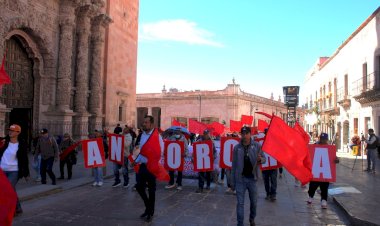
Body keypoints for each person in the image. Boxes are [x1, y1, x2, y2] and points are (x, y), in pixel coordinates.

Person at [231, 126, 266, 226]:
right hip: (240, 180)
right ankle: (240, 223)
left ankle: (252, 218)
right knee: (240, 204)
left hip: (252, 179)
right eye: (243, 133)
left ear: (250, 134)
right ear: (241, 134)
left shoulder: (257, 146)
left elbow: (264, 159)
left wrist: (260, 160)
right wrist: (232, 181)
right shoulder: (237, 148)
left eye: (247, 133)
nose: (245, 135)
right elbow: (234, 165)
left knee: (254, 203)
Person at [133, 115, 164, 222]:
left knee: (151, 190)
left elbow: (161, 152)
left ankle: (150, 212)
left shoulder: (157, 136)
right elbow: (141, 151)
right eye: (144, 122)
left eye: (146, 122)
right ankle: (148, 207)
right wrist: (135, 161)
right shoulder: (142, 136)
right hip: (143, 166)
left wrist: (156, 165)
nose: (144, 124)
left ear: (151, 124)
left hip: (152, 166)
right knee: (139, 187)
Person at [0, 124, 29, 215]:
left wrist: (26, 173)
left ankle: (11, 210)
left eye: (13, 130)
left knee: (8, 189)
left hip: (14, 171)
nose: (10, 132)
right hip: (2, 170)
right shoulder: (4, 142)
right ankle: (18, 208)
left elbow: (25, 159)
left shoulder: (22, 144)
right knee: (11, 189)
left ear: (18, 132)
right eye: (10, 130)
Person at [307, 133, 339, 209]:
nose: (323, 141)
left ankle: (324, 200)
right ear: (319, 139)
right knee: (313, 185)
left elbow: (334, 157)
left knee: (324, 186)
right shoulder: (314, 146)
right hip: (316, 170)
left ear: (327, 140)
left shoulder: (329, 148)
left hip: (325, 171)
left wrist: (336, 160)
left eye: (324, 139)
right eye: (322, 139)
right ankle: (310, 196)